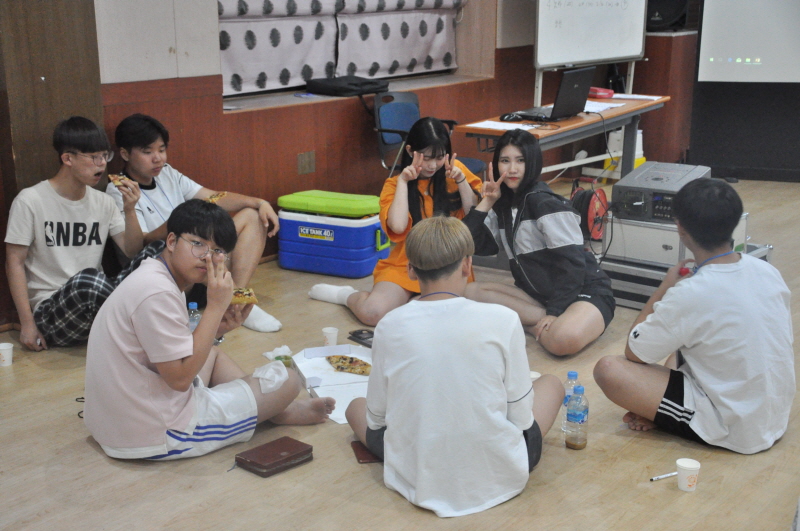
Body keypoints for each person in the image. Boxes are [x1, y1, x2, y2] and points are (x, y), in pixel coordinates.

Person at [345, 216, 564, 517]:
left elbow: (376, 418)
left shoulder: (390, 324)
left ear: (410, 270)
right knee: (551, 383)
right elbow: (521, 416)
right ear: (467, 265)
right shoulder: (504, 319)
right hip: (500, 473)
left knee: (354, 407)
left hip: (418, 473)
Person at [83, 199, 335, 460]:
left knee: (213, 355)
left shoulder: (156, 274)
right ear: (172, 241)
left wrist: (217, 329)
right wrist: (215, 307)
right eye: (197, 244)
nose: (207, 256)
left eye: (217, 250)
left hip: (118, 421)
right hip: (158, 434)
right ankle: (280, 411)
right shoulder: (158, 293)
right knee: (288, 380)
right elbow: (179, 380)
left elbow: (172, 351)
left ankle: (274, 410)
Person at [593, 179, 794, 454]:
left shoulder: (690, 292)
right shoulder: (766, 270)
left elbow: (634, 353)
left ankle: (667, 416)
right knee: (681, 343)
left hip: (736, 429)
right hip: (772, 415)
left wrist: (665, 287)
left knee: (609, 369)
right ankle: (664, 410)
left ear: (681, 228)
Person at [106, 113, 281, 333]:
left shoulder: (168, 173)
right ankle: (236, 300)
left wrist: (259, 202)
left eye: (161, 149)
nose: (158, 158)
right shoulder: (119, 189)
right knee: (183, 244)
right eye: (147, 152)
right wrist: (179, 224)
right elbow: (140, 246)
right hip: (169, 272)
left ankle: (232, 298)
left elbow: (212, 197)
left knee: (252, 216)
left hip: (200, 264)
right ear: (125, 154)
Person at [4, 116, 163, 351]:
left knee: (158, 251)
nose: (102, 164)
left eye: (105, 156)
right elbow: (14, 263)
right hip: (52, 311)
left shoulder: (103, 202)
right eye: (94, 157)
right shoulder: (30, 200)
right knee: (88, 281)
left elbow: (132, 252)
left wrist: (130, 210)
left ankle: (139, 326)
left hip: (98, 303)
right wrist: (27, 324)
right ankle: (144, 329)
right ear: (67, 158)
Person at [309, 117, 482, 326]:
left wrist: (461, 180)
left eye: (439, 157)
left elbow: (474, 215)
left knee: (429, 317)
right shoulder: (394, 183)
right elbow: (398, 227)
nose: (432, 165)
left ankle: (411, 301)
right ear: (410, 151)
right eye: (426, 157)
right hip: (407, 263)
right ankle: (346, 295)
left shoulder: (455, 171)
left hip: (447, 267)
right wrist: (403, 182)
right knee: (373, 313)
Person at [461, 129, 615, 356]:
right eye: (505, 161)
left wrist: (555, 311)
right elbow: (473, 245)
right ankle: (541, 325)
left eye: (520, 160)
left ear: (532, 163)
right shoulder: (503, 203)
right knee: (469, 291)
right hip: (539, 296)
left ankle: (537, 324)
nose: (512, 169)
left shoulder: (544, 203)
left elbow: (573, 265)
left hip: (584, 292)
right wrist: (487, 202)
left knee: (562, 340)